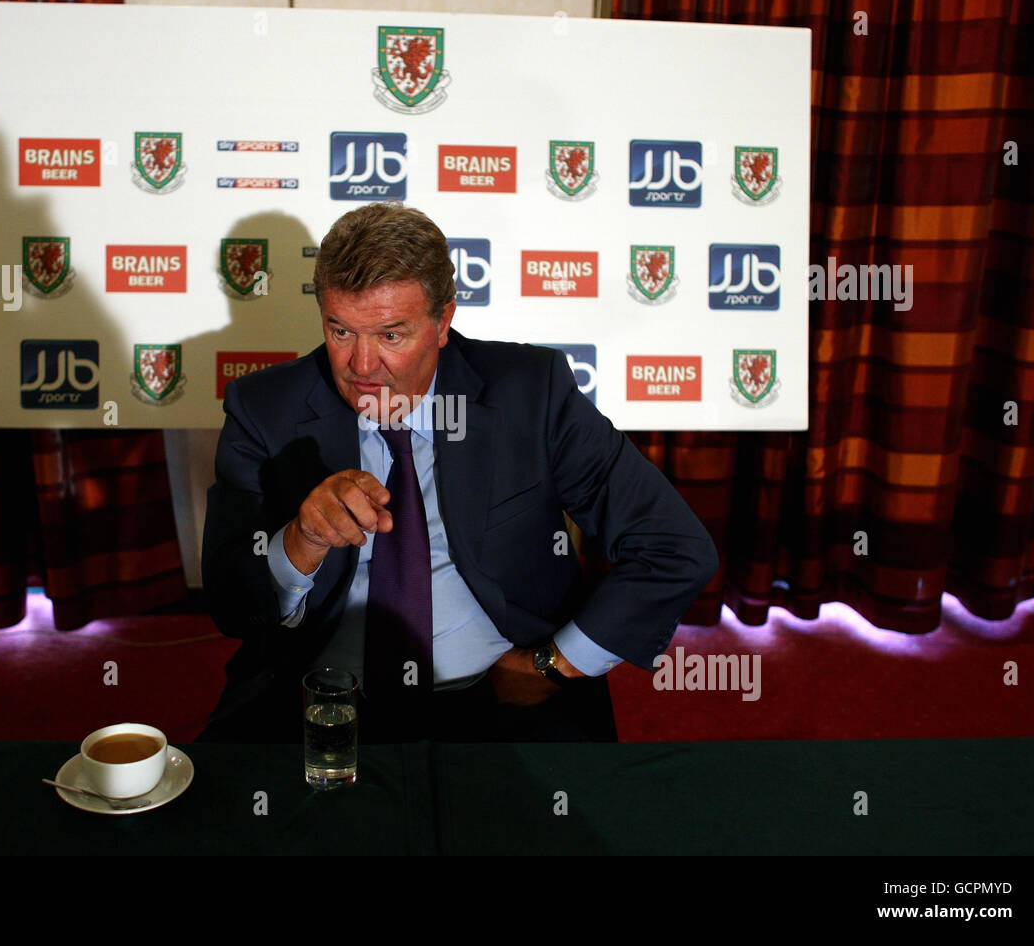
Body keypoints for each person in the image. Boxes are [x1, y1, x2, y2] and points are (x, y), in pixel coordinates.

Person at [199, 202, 717, 743]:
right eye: (341, 331)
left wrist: (555, 664)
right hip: (320, 701)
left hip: (501, 699)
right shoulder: (265, 409)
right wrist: (299, 541)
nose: (361, 365)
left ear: (443, 321)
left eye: (391, 335)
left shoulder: (529, 393)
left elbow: (674, 547)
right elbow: (232, 606)